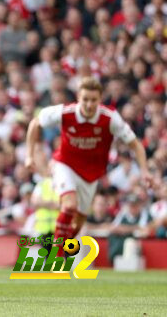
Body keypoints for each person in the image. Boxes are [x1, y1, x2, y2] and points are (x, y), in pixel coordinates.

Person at [25, 77, 152, 249]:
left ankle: (60, 245)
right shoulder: (65, 112)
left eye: (93, 100)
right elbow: (35, 123)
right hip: (65, 164)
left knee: (78, 223)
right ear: (78, 97)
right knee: (69, 206)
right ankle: (57, 256)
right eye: (85, 99)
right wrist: (29, 156)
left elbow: (135, 144)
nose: (89, 104)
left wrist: (144, 171)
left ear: (100, 100)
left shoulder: (110, 118)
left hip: (91, 175)